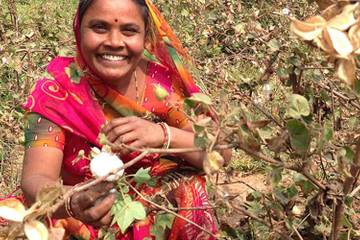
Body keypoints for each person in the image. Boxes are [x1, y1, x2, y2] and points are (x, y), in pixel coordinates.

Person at [20, 0, 231, 239]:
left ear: (145, 36)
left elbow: (220, 154)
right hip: (79, 217)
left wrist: (162, 135)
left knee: (188, 187)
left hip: (155, 212)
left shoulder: (161, 84)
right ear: (79, 30)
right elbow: (34, 180)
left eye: (129, 30)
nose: (114, 42)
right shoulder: (56, 92)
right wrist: (72, 201)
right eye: (99, 27)